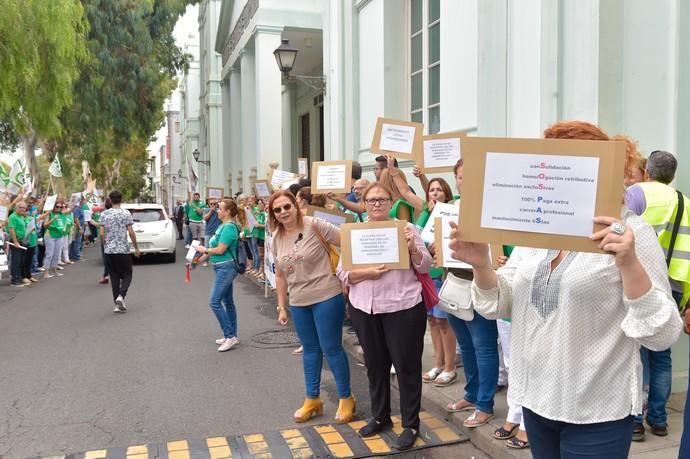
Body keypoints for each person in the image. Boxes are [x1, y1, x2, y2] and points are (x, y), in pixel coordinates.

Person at [449, 120, 682, 457]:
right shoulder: (539, 230)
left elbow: (662, 333)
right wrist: (481, 264)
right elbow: (501, 301)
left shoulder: (631, 230)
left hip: (596, 406)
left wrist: (629, 262)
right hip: (536, 400)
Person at [337, 183, 432, 450]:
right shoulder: (355, 232)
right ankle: (381, 416)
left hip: (402, 307)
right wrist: (365, 274)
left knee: (406, 367)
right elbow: (342, 271)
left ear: (391, 202)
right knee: (375, 366)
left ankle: (410, 424)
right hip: (364, 307)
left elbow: (426, 265)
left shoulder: (406, 228)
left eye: (381, 199)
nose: (376, 204)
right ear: (363, 203)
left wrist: (413, 248)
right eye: (371, 200)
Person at [271, 190, 354, 425]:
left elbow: (348, 242)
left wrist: (346, 275)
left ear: (295, 206)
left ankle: (346, 398)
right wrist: (281, 306)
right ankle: (312, 399)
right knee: (310, 350)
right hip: (298, 301)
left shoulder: (315, 224)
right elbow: (279, 275)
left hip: (326, 295)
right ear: (273, 214)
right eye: (277, 210)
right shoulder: (276, 237)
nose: (283, 212)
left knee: (331, 348)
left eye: (287, 206)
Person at [625, 149, 690, 441]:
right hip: (674, 285)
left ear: (647, 172)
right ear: (672, 176)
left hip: (640, 282)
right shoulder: (684, 202)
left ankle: (636, 420)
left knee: (634, 354)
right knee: (662, 356)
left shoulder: (636, 193)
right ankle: (659, 420)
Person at [444, 158, 499, 430]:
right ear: (456, 179)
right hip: (454, 284)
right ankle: (472, 394)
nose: (465, 181)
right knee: (465, 345)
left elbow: (498, 251)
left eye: (472, 176)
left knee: (484, 347)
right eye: (461, 176)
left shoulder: (492, 210)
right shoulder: (449, 209)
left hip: (480, 285)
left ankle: (485, 405)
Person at [413, 178, 457, 387]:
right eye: (431, 190)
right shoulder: (425, 214)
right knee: (432, 320)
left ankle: (450, 367)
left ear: (446, 194)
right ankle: (438, 363)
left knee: (443, 321)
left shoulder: (451, 212)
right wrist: (426, 211)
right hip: (426, 276)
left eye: (439, 190)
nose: (435, 193)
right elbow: (417, 235)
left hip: (442, 275)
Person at [194, 198, 242, 352]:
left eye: (220, 208)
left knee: (214, 301)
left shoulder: (229, 227)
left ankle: (230, 336)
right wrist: (196, 261)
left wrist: (203, 250)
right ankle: (231, 334)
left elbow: (220, 249)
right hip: (221, 267)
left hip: (226, 268)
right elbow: (211, 250)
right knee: (228, 302)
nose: (217, 210)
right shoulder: (223, 226)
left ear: (227, 212)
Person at [100, 191, 140, 313]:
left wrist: (105, 244)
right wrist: (136, 247)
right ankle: (121, 296)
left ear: (110, 200)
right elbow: (131, 232)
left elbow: (102, 233)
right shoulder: (125, 213)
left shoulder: (104, 214)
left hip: (109, 251)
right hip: (123, 249)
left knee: (114, 275)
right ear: (121, 199)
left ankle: (117, 304)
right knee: (128, 273)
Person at [7, 201, 33, 287]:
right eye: (21, 207)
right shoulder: (13, 216)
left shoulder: (21, 216)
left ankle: (19, 278)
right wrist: (15, 241)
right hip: (16, 241)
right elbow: (11, 229)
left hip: (21, 240)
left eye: (24, 208)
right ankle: (15, 281)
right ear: (16, 208)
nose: (23, 209)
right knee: (16, 261)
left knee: (21, 260)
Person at [42, 200, 68, 278]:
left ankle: (54, 270)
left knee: (57, 254)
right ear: (53, 207)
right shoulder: (49, 214)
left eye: (61, 207)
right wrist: (53, 219)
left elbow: (71, 207)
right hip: (50, 235)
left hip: (59, 235)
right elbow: (45, 225)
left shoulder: (62, 214)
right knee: (49, 254)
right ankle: (46, 272)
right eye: (57, 206)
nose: (59, 208)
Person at [202, 198, 222, 267]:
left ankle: (216, 261)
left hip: (217, 233)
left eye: (214, 204)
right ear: (208, 204)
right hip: (208, 232)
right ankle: (205, 261)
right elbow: (205, 218)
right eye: (211, 204)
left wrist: (217, 211)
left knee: (216, 248)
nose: (213, 205)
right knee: (206, 247)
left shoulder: (219, 211)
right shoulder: (206, 210)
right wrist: (211, 211)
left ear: (217, 204)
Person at [69, 196, 86, 261]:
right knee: (77, 241)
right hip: (78, 227)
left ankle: (72, 255)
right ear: (81, 201)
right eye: (84, 200)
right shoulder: (77, 209)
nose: (85, 201)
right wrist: (80, 228)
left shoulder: (80, 208)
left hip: (80, 226)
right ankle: (76, 256)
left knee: (75, 241)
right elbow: (76, 219)